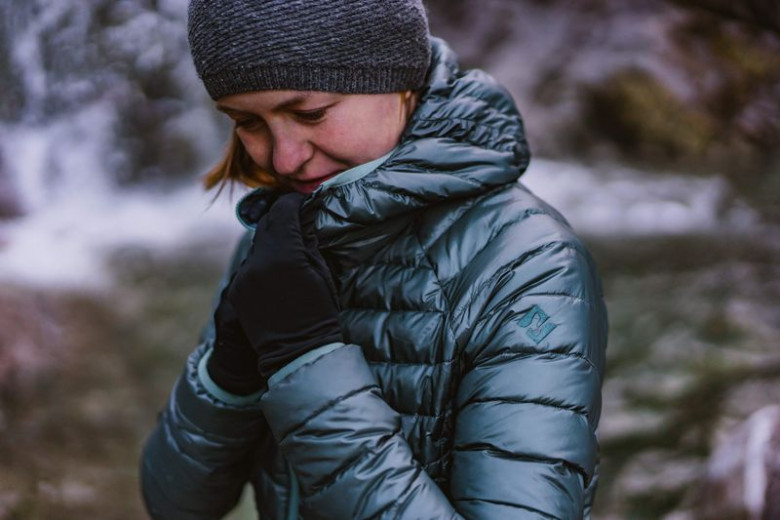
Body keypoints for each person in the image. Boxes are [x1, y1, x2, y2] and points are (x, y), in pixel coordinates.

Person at [140, 0, 608, 518]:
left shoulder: (530, 267)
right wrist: (226, 375)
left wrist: (306, 362)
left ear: (397, 77)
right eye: (246, 122)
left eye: (309, 113)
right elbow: (174, 505)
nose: (282, 157)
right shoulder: (280, 238)